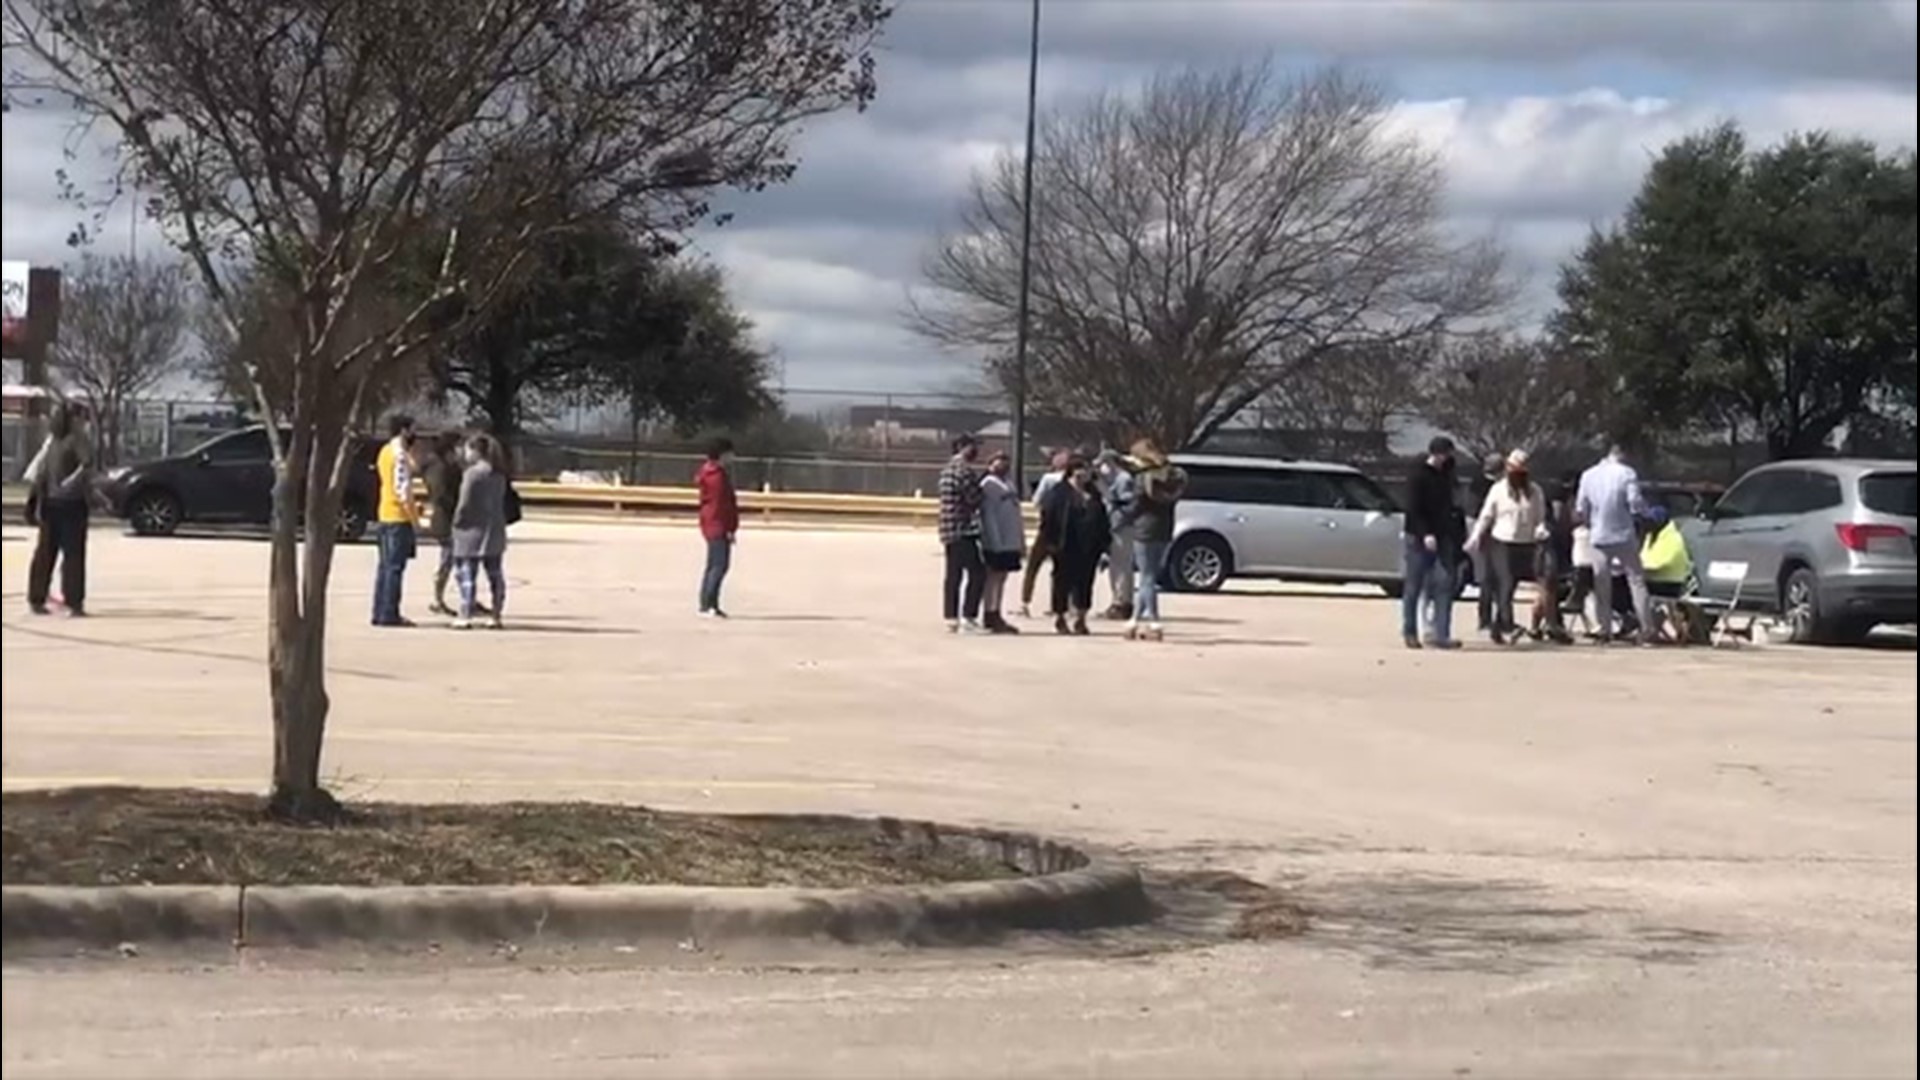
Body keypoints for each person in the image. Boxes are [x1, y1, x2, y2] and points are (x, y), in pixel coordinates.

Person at [1466, 449, 1548, 645]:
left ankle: (1496, 627)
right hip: (1501, 542)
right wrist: (1475, 536)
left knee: (1511, 586)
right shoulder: (1498, 489)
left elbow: (1540, 517)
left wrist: (1541, 529)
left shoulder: (1535, 491)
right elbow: (1487, 515)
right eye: (1512, 470)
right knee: (1505, 583)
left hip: (1525, 544)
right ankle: (1509, 625)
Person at [1576, 444, 1651, 645]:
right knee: (1636, 580)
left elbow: (1581, 507)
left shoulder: (1588, 475)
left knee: (1601, 583)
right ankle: (1646, 629)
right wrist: (1645, 512)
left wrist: (1591, 522)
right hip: (1624, 533)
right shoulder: (1627, 473)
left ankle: (1604, 629)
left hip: (1599, 535)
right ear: (1621, 455)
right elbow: (1634, 502)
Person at [25, 401, 94, 617]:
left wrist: (35, 498)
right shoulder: (73, 438)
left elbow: (40, 472)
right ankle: (71, 601)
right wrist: (69, 484)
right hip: (68, 505)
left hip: (55, 504)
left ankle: (40, 597)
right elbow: (87, 465)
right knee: (70, 554)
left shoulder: (54, 441)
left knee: (47, 552)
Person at [1118, 438, 1186, 642]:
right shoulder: (1174, 477)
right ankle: (1134, 620)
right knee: (1151, 576)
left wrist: (1118, 514)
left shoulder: (1142, 479)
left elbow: (1135, 507)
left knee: (1146, 578)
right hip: (1165, 529)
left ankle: (1154, 621)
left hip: (1144, 530)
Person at [1400, 436, 1462, 650]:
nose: (1447, 459)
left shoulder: (1446, 476)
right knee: (1414, 586)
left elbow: (1449, 505)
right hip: (1419, 537)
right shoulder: (1418, 477)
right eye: (1445, 454)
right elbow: (1413, 509)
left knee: (1445, 583)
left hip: (1443, 535)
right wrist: (1425, 533)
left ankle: (1441, 633)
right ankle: (1410, 631)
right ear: (1435, 453)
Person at [1039, 455, 1110, 636]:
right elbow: (1048, 519)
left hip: (1088, 547)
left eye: (1085, 469)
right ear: (1070, 472)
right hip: (1065, 545)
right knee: (1062, 582)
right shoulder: (1059, 492)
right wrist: (1050, 543)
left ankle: (1081, 619)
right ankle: (1060, 617)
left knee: (1085, 583)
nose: (1082, 473)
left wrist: (1104, 545)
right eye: (1078, 469)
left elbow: (1102, 520)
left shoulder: (1093, 494)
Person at [448, 433, 509, 630]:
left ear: (475, 451)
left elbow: (464, 502)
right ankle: (496, 614)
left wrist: (457, 521)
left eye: (467, 449)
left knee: (467, 573)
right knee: (495, 574)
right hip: (494, 528)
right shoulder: (498, 474)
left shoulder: (472, 474)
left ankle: (465, 614)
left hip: (471, 528)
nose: (465, 453)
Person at [371, 413, 421, 628]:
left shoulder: (385, 452)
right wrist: (414, 517)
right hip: (398, 517)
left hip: (385, 513)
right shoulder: (399, 455)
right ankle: (389, 612)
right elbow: (403, 489)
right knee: (394, 568)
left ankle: (379, 611)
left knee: (384, 567)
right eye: (412, 429)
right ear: (403, 430)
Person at [937, 433, 986, 633]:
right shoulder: (964, 470)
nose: (976, 451)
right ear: (962, 447)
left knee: (953, 575)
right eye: (973, 447)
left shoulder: (946, 469)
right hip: (962, 528)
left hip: (947, 528)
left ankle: (951, 617)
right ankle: (969, 616)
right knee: (977, 573)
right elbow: (974, 497)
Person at [977, 451, 1025, 634]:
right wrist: (994, 540)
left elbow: (1016, 514)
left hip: (1011, 539)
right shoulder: (988, 484)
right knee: (993, 578)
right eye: (999, 460)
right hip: (997, 540)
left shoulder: (1009, 483)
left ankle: (997, 610)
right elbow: (988, 515)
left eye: (1006, 460)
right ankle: (990, 613)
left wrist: (1020, 541)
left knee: (1002, 578)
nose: (1003, 464)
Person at [1019, 448, 1071, 617]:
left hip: (1047, 527)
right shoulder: (1072, 481)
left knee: (1033, 566)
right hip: (1065, 529)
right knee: (1060, 570)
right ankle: (1060, 605)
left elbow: (1037, 501)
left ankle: (1025, 602)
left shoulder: (1049, 478)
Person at [696, 437, 741, 618]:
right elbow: (723, 505)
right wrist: (729, 528)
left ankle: (707, 603)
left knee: (713, 565)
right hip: (717, 524)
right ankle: (709, 604)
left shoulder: (710, 473)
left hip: (710, 522)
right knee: (719, 565)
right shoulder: (718, 477)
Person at [421, 433, 464, 617]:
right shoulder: (439, 468)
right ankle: (437, 599)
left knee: (454, 559)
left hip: (449, 517)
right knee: (448, 559)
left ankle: (457, 597)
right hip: (446, 519)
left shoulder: (448, 466)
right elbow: (441, 494)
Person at [1096, 450, 1137, 619]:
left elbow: (1125, 502)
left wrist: (1104, 489)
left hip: (1122, 527)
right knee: (1115, 566)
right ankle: (1117, 600)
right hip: (1115, 526)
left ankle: (1122, 603)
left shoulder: (1124, 479)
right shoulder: (1115, 479)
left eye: (1103, 464)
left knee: (1121, 567)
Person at [1467, 451, 1504, 634]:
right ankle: (1490, 618)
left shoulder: (1477, 484)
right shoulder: (1497, 487)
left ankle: (1486, 618)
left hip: (1485, 532)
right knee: (1491, 578)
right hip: (1490, 533)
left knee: (1487, 579)